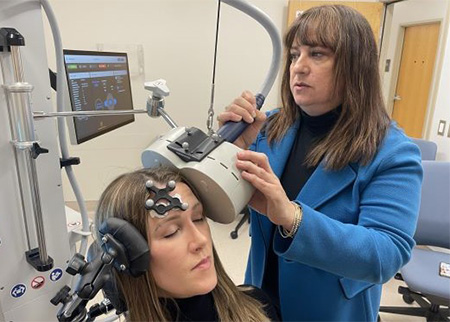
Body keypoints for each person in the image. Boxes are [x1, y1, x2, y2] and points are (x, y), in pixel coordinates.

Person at [217, 4, 423, 321]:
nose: (298, 67)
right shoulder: (271, 126)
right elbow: (226, 200)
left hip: (330, 311)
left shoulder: (393, 153)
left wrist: (293, 218)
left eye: (317, 54)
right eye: (296, 54)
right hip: (261, 301)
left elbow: (386, 254)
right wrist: (232, 147)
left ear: (355, 66)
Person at [94, 167, 279, 321]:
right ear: (128, 255)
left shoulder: (258, 308)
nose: (201, 240)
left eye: (198, 218)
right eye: (171, 232)